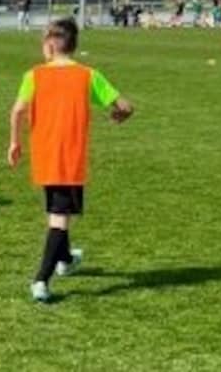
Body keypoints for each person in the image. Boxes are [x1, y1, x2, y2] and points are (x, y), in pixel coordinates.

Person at [8, 18, 134, 303]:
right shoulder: (88, 76)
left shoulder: (34, 75)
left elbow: (17, 111)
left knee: (57, 211)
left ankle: (65, 259)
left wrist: (15, 142)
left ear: (51, 45)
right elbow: (125, 106)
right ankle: (41, 279)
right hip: (70, 157)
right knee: (59, 218)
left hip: (44, 154)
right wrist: (122, 114)